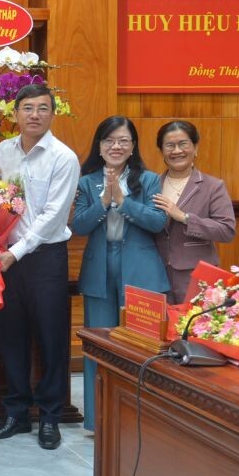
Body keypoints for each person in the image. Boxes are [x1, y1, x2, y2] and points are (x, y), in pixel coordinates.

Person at [0, 84, 78, 450]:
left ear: (53, 114)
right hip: (7, 258)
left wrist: (17, 251)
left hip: (45, 258)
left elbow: (54, 215)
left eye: (42, 108)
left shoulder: (63, 157)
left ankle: (50, 416)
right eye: (27, 108)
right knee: (12, 335)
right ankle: (16, 413)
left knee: (51, 338)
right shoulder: (4, 151)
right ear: (16, 114)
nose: (35, 114)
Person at [71, 116, 169, 431]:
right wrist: (104, 201)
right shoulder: (87, 182)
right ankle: (97, 421)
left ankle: (142, 422)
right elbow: (79, 226)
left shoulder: (150, 180)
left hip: (141, 270)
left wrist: (123, 201)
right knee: (99, 345)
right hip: (99, 269)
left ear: (133, 146)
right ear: (99, 146)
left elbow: (158, 222)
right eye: (109, 140)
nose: (116, 146)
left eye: (123, 140)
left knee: (142, 348)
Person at [152, 121, 236, 304]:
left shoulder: (213, 186)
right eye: (169, 145)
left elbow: (226, 231)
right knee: (160, 322)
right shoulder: (151, 185)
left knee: (195, 322)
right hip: (156, 275)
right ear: (161, 151)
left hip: (197, 276)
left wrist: (184, 217)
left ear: (195, 147)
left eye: (183, 144)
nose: (176, 151)